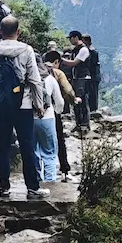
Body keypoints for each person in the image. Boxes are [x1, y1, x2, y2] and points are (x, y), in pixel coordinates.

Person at [0, 14, 47, 199]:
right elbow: (34, 80)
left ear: (0, 31)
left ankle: (4, 187)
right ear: (18, 32)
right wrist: (39, 105)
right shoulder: (26, 50)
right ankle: (32, 187)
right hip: (23, 105)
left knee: (2, 147)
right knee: (27, 146)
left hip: (0, 106)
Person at [44, 49, 76, 179]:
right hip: (51, 112)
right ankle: (64, 169)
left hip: (31, 111)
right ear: (57, 61)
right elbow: (68, 91)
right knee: (59, 140)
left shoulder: (35, 70)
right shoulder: (57, 73)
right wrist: (74, 101)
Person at [35, 56, 62, 183]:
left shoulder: (22, 78)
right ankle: (50, 182)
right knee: (49, 152)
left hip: (28, 119)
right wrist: (56, 112)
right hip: (47, 118)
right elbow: (59, 102)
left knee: (33, 152)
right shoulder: (50, 79)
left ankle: (36, 182)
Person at [61, 30, 92, 131]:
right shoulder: (76, 50)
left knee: (82, 101)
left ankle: (85, 125)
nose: (70, 40)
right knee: (75, 101)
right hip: (76, 78)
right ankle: (78, 123)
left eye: (70, 38)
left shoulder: (83, 50)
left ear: (75, 37)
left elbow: (74, 63)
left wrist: (61, 60)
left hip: (83, 78)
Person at [83, 34, 101, 114]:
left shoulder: (92, 52)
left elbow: (92, 65)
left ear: (87, 41)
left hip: (93, 76)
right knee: (90, 93)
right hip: (92, 76)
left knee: (93, 93)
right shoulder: (90, 51)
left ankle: (93, 110)